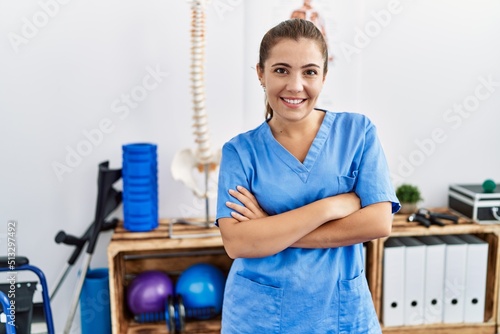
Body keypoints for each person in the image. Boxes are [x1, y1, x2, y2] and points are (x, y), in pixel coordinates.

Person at [216, 18, 400, 333]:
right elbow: (238, 243)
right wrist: (326, 209)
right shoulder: (240, 152)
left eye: (310, 72)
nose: (295, 85)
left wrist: (269, 230)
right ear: (261, 73)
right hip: (259, 317)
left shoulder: (358, 133)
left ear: (324, 76)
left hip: (340, 315)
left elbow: (378, 222)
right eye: (281, 70)